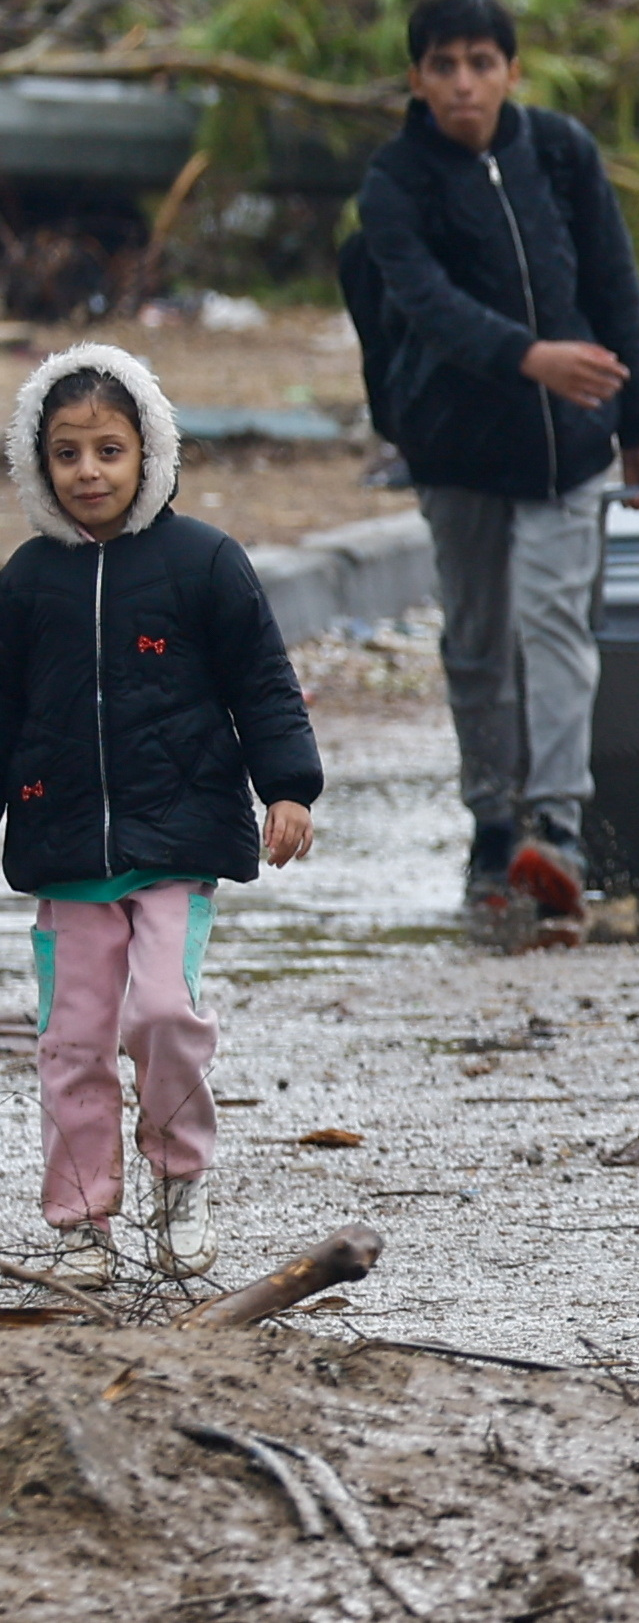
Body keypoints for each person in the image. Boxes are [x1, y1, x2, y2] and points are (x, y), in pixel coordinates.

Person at [3, 345, 321, 1286]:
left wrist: (289, 786)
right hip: (66, 853)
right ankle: (80, 1222)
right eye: (66, 453)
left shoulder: (204, 562)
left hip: (178, 844)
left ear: (150, 452)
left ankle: (179, 1180)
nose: (89, 472)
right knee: (72, 1039)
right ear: (38, 463)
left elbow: (263, 681)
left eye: (109, 450)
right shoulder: (26, 580)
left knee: (161, 1012)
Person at [353, 0, 639, 922]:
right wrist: (530, 357)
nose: (464, 83)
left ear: (511, 70)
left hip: (569, 449)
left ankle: (557, 825)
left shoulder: (562, 154)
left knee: (556, 622)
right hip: (454, 454)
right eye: (444, 65)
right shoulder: (394, 182)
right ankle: (493, 824)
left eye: (482, 63)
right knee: (479, 644)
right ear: (416, 77)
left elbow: (614, 286)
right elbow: (426, 303)